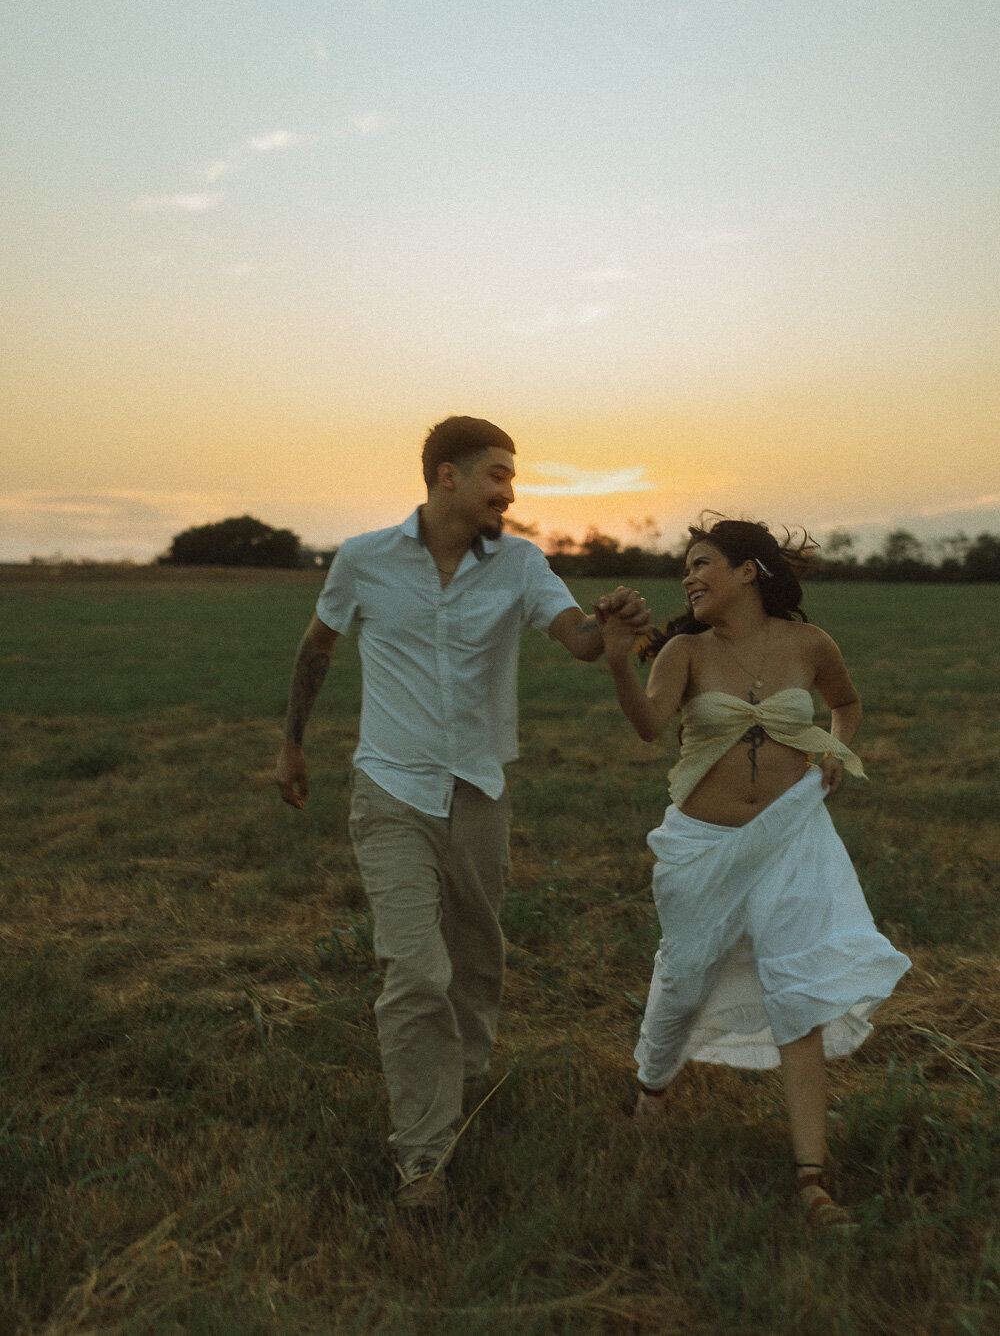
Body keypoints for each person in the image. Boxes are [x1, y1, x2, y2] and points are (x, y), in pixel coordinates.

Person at [275, 416, 650, 1208]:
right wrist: (292, 746)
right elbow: (318, 647)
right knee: (415, 968)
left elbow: (575, 637)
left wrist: (608, 630)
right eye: (498, 477)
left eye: (512, 480)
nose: (509, 493)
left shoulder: (519, 563)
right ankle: (422, 1158)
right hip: (390, 792)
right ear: (448, 475)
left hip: (479, 792)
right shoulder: (364, 560)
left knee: (476, 962)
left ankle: (464, 1081)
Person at [596, 516, 910, 1231]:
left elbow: (849, 704)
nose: (689, 578)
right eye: (685, 570)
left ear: (748, 572)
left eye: (701, 563)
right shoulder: (685, 650)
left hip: (793, 836)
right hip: (702, 846)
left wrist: (836, 746)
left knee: (795, 992)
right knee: (682, 980)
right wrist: (618, 659)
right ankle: (652, 1092)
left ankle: (812, 1181)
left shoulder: (809, 644)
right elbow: (650, 726)